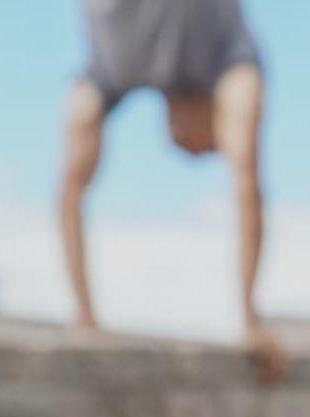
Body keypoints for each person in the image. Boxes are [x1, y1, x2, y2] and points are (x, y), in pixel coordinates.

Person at [58, 0, 286, 383]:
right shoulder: (228, 51)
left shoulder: (118, 60)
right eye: (211, 145)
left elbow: (69, 191)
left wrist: (85, 318)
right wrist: (250, 319)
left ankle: (84, 311)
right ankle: (83, 311)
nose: (200, 151)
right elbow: (246, 177)